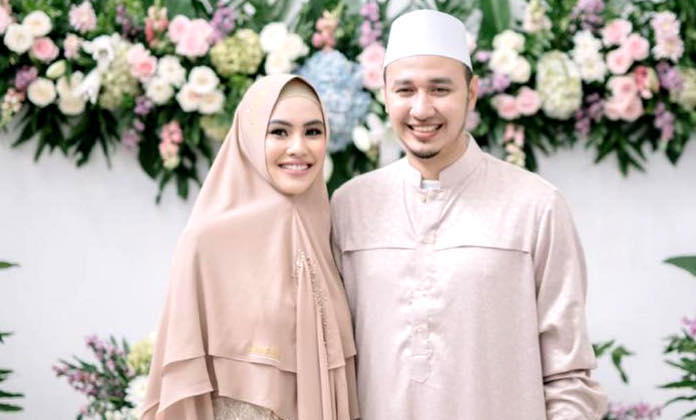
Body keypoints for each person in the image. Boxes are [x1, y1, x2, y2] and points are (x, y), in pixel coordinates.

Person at [330, 9, 608, 420]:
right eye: (405, 90)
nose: (421, 109)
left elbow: (568, 376)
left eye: (440, 89)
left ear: (471, 93)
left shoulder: (535, 206)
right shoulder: (349, 206)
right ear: (385, 94)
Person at [141, 74, 359, 420]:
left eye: (313, 132)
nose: (298, 147)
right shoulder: (206, 242)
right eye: (279, 132)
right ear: (250, 137)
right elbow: (184, 386)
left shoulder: (328, 230)